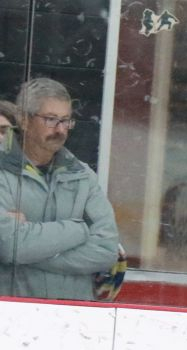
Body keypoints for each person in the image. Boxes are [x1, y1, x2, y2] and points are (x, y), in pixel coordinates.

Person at [0, 78, 121, 301]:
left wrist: (28, 253)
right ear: (24, 120)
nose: (60, 129)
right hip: (13, 314)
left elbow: (106, 250)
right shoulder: (2, 170)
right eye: (51, 119)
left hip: (74, 315)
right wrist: (78, 230)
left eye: (66, 121)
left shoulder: (82, 175)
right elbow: (7, 245)